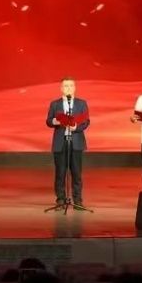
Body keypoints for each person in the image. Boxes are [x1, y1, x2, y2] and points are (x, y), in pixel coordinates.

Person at [46, 77, 90, 208]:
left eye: (71, 86)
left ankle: (77, 200)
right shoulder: (55, 104)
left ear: (75, 88)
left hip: (76, 142)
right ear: (61, 88)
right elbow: (48, 121)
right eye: (66, 86)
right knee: (60, 173)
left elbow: (86, 121)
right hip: (61, 142)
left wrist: (76, 127)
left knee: (76, 173)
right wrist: (54, 121)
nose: (68, 88)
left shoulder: (81, 103)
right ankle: (60, 199)